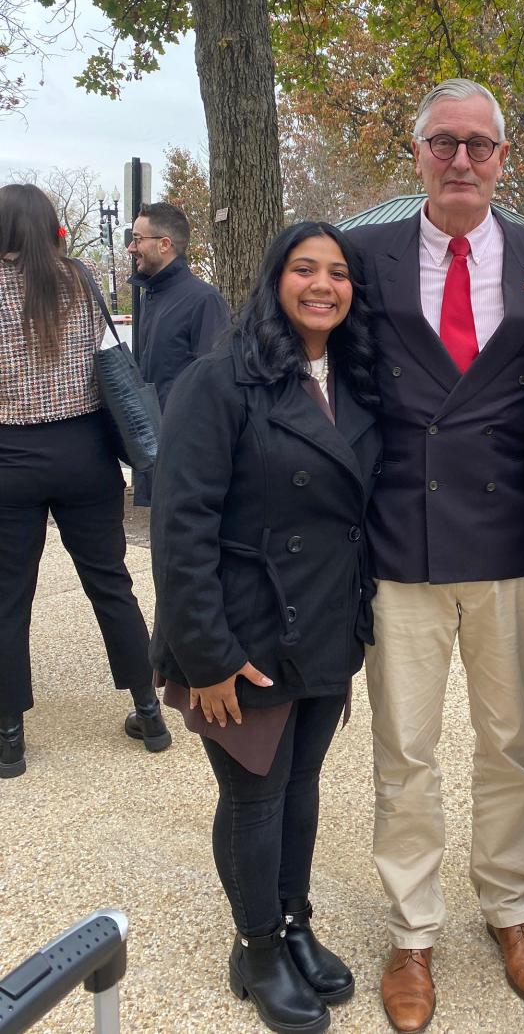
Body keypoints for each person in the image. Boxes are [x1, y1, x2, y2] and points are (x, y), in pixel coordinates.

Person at [348, 78, 524, 1032]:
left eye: (479, 145)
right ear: (417, 155)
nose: (461, 160)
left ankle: (512, 909)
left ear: (502, 158)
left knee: (508, 742)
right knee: (403, 749)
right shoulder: (362, 255)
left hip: (506, 540)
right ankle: (412, 930)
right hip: (399, 536)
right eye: (443, 143)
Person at [149, 221, 380, 1034]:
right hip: (242, 631)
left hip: (324, 622)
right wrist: (207, 656)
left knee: (302, 788)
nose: (323, 284)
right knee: (254, 794)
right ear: (274, 278)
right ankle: (254, 948)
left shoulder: (352, 380)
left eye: (339, 272)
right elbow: (181, 528)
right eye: (304, 268)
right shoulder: (218, 381)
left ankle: (291, 922)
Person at [0, 182, 170, 781]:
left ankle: (9, 738)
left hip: (10, 457)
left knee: (7, 596)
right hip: (84, 452)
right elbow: (110, 360)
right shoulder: (78, 279)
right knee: (110, 582)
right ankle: (148, 711)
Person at [126, 201, 231, 505]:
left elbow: (216, 385)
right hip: (156, 451)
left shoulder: (203, 300)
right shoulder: (152, 298)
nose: (131, 248)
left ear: (165, 244)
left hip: (187, 459)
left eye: (137, 238)